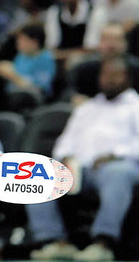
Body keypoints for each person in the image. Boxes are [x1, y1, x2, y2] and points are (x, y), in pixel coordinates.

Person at [27, 57, 139, 262]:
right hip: (79, 169)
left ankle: (103, 243)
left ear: (128, 78)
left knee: (117, 173)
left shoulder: (135, 106)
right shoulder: (87, 108)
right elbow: (64, 142)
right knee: (36, 173)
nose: (109, 79)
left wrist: (114, 154)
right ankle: (54, 241)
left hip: (119, 166)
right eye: (105, 74)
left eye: (116, 75)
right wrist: (66, 158)